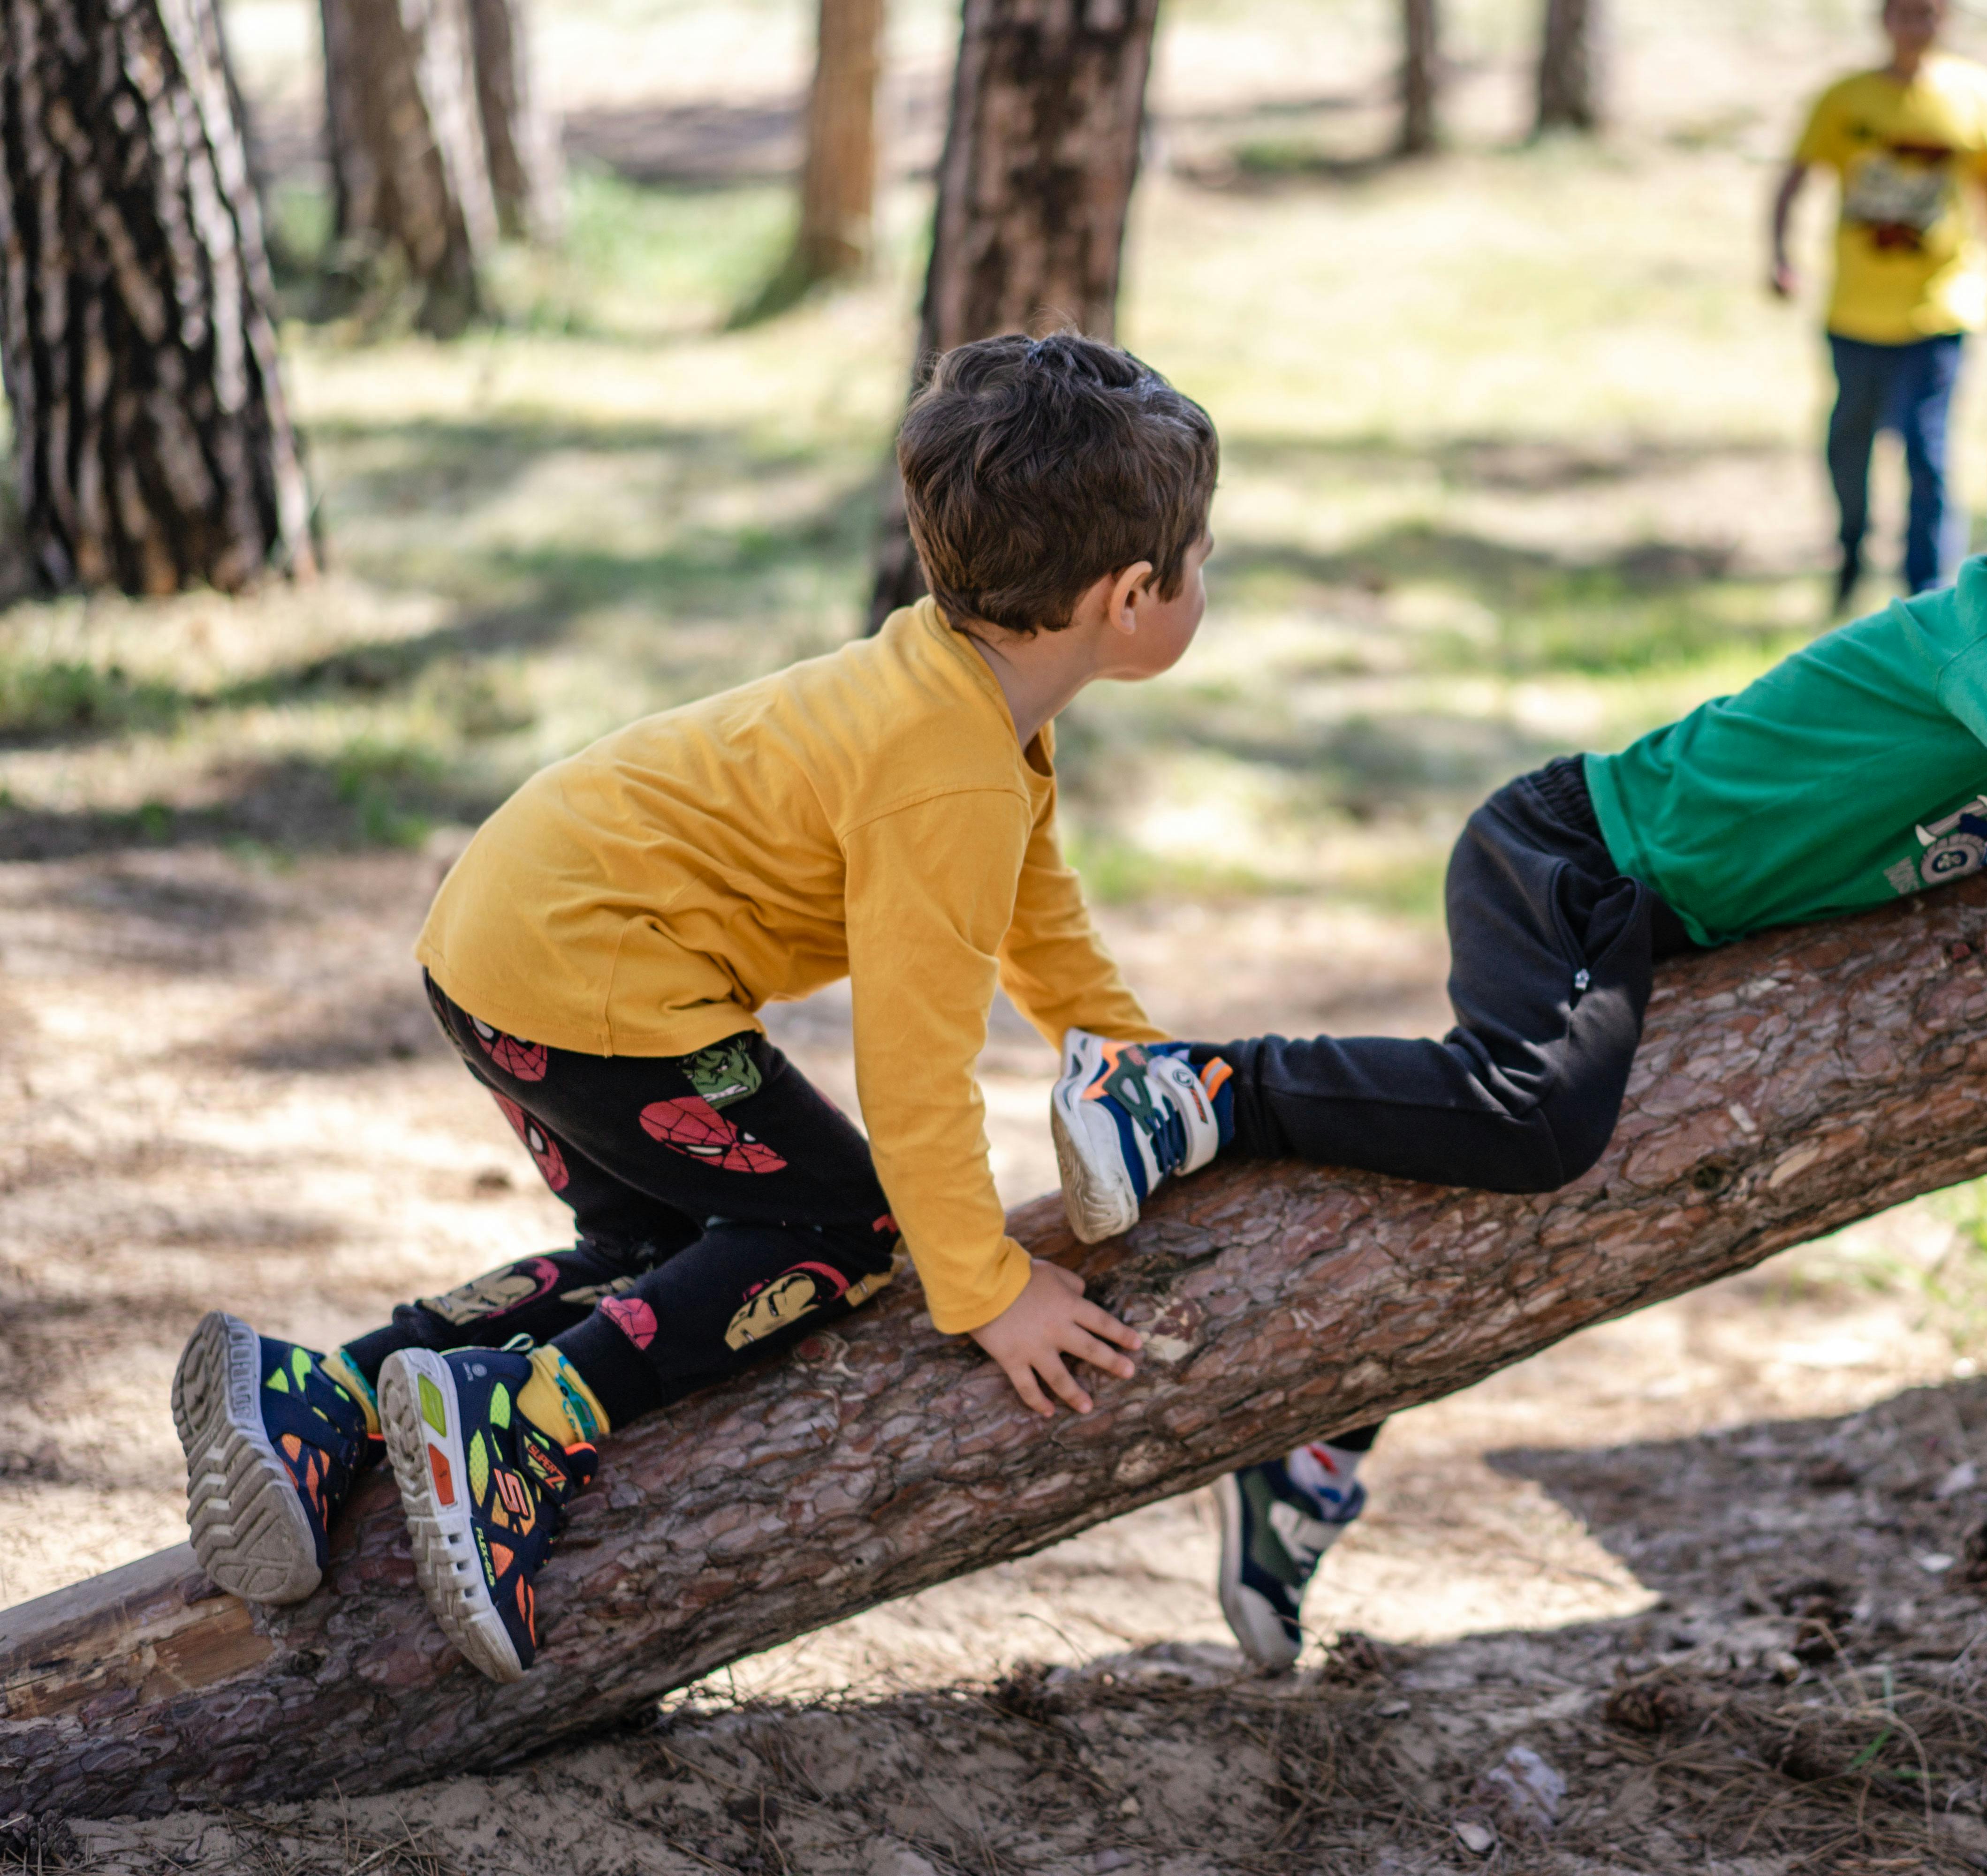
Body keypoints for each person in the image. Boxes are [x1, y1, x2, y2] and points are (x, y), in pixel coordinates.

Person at [1051, 295, 1987, 1669]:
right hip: (1575, 862)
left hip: (1647, 914)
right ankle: (1193, 1084)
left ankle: (1308, 1448)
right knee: (1533, 1126)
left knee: (1489, 1182)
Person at [168, 333, 1211, 1683]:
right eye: (1203, 561)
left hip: (502, 946)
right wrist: (988, 1289)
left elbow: (1040, 924)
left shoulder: (955, 697)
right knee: (841, 1228)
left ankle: (334, 1396)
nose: (1206, 583)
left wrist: (1150, 1063)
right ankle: (522, 1423)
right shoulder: (946, 770)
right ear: (1131, 596)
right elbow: (915, 1069)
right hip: (596, 979)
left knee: (671, 1248)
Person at [1770, 0, 1987, 613]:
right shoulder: (1843, 99)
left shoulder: (1974, 96)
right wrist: (1779, 253)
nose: (1916, 24)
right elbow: (1794, 177)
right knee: (1849, 443)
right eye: (1903, 11)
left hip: (1938, 310)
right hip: (1855, 311)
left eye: (1928, 12)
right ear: (1882, 18)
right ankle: (1851, 551)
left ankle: (1928, 595)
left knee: (1926, 450)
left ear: (1948, 17)